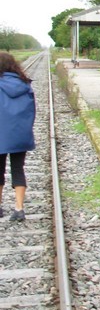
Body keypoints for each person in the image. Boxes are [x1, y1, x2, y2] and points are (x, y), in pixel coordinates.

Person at [0, 52, 36, 222]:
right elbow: (32, 112)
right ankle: (19, 208)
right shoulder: (25, 85)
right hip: (21, 134)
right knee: (18, 169)